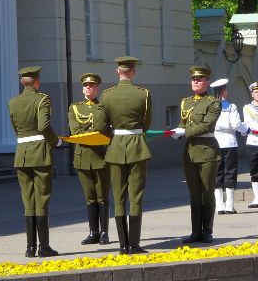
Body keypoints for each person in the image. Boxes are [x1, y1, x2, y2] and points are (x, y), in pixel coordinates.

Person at [100, 56, 152, 255]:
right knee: (136, 196)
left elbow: (101, 125)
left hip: (115, 148)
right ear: (133, 72)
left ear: (117, 72)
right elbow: (146, 124)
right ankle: (135, 244)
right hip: (137, 146)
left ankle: (123, 245)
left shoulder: (106, 95)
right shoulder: (143, 94)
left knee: (118, 197)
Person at [8, 66, 61, 258]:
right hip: (40, 153)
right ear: (37, 81)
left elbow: (16, 128)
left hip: (22, 154)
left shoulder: (13, 102)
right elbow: (44, 126)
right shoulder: (42, 99)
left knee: (27, 201)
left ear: (23, 82)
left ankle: (30, 247)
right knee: (42, 199)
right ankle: (44, 246)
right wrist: (56, 141)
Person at [172, 66, 221, 243]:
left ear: (207, 82)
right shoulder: (186, 102)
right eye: (193, 79)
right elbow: (183, 123)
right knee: (194, 193)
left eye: (199, 79)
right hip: (190, 152)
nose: (195, 81)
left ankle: (207, 230)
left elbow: (206, 126)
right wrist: (176, 132)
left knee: (207, 192)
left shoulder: (213, 102)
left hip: (207, 151)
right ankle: (195, 231)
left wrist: (184, 132)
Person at [68, 73, 111, 245]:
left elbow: (104, 130)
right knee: (90, 197)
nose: (88, 88)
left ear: (97, 88)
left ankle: (104, 232)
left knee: (102, 197)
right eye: (86, 85)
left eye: (92, 85)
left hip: (101, 156)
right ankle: (93, 232)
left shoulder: (104, 108)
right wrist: (93, 135)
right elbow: (75, 132)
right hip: (83, 157)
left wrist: (94, 134)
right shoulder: (75, 108)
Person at [210, 78, 249, 215]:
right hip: (229, 142)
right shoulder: (231, 106)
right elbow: (237, 124)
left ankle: (219, 206)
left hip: (214, 142)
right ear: (224, 92)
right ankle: (229, 205)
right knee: (230, 172)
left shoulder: (209, 106)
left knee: (217, 172)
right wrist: (246, 129)